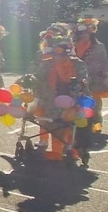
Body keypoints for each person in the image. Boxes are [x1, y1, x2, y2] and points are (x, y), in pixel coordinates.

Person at [33, 23, 90, 162]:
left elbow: (84, 79)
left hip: (73, 99)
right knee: (54, 125)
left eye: (62, 53)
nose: (58, 57)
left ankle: (73, 149)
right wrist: (27, 81)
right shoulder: (47, 63)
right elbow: (38, 77)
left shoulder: (78, 64)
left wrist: (79, 84)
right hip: (52, 99)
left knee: (71, 125)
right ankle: (56, 152)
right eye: (55, 54)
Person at [74, 18, 108, 133]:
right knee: (78, 103)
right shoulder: (73, 45)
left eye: (87, 33)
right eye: (82, 33)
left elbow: (104, 63)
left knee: (95, 106)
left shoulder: (98, 46)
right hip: (78, 79)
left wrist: (103, 76)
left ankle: (97, 126)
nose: (84, 35)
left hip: (95, 80)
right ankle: (81, 126)